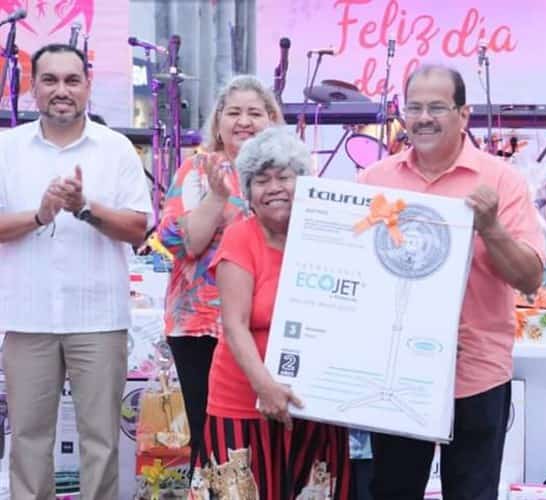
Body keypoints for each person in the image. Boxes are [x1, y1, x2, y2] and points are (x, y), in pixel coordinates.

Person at [358, 65, 546, 500]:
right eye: (415, 107)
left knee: (472, 493)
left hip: (475, 372)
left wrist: (491, 227)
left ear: (464, 114)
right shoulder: (374, 181)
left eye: (437, 107)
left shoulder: (500, 181)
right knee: (392, 490)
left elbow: (530, 278)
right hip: (396, 371)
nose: (424, 117)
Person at [0, 44, 152, 499]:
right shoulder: (7, 149)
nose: (61, 90)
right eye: (50, 80)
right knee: (27, 439)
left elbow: (138, 228)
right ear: (32, 87)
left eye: (71, 80)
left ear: (87, 86)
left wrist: (84, 208)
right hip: (28, 318)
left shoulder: (116, 148)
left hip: (99, 319)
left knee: (101, 441)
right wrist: (42, 215)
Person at [194, 126, 350, 499]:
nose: (275, 187)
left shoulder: (329, 238)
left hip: (313, 403)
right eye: (261, 181)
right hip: (243, 403)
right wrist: (265, 386)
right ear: (248, 194)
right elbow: (234, 326)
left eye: (285, 177)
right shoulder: (240, 237)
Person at [157, 74, 284, 474]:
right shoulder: (196, 169)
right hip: (201, 326)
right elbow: (186, 245)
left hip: (266, 324)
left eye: (254, 113)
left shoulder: (286, 172)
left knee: (269, 434)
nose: (243, 121)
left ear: (271, 120)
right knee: (211, 439)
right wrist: (217, 195)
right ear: (218, 122)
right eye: (234, 112)